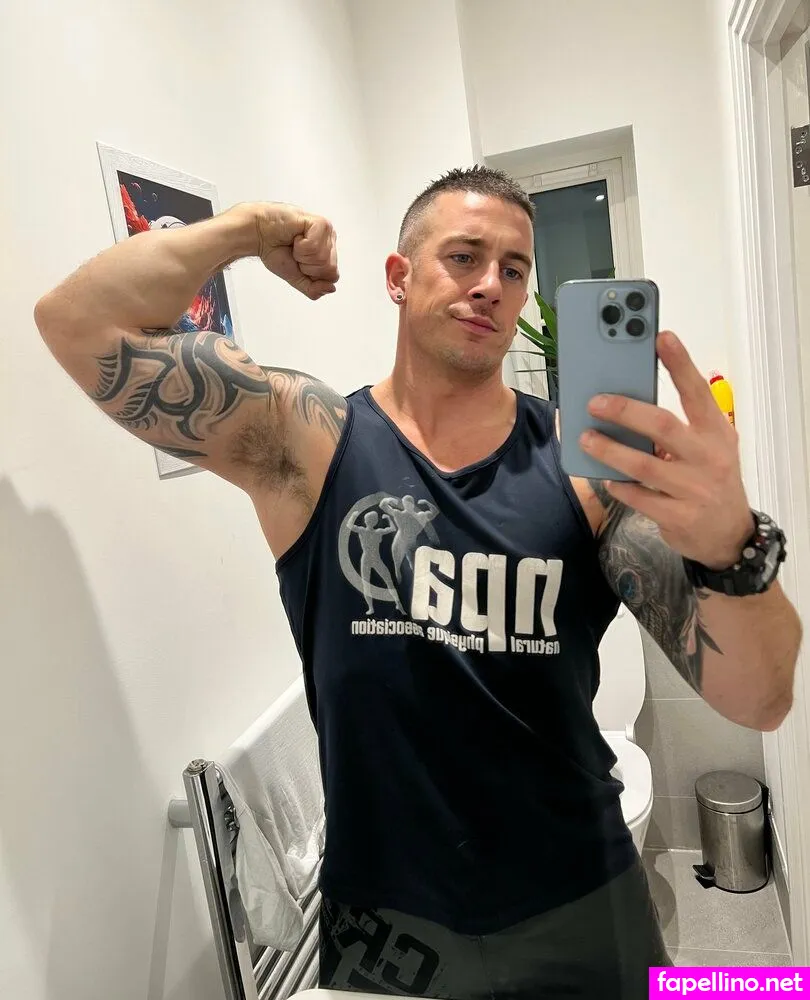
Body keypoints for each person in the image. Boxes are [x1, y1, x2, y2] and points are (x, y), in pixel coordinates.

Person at [34, 166, 801, 999]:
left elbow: (760, 699)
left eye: (514, 269)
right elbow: (78, 322)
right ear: (398, 277)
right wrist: (247, 229)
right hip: (386, 918)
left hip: (579, 895)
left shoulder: (588, 477)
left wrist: (732, 546)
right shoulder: (310, 441)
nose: (491, 285)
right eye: (464, 257)